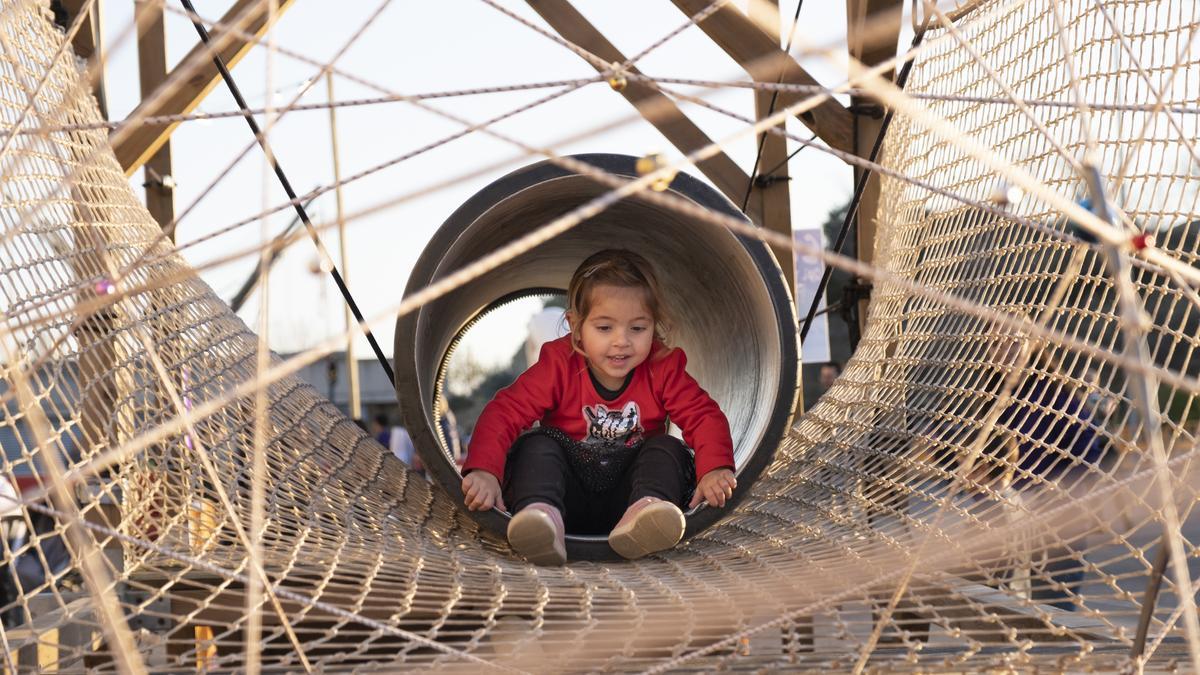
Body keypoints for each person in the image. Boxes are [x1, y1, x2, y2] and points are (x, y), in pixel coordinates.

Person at [460, 249, 737, 565]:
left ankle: (647, 513)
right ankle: (540, 516)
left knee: (666, 447)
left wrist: (714, 468)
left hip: (629, 493)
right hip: (566, 493)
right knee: (537, 444)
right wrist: (484, 469)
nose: (622, 341)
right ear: (576, 326)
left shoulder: (662, 366)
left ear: (655, 325)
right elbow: (505, 412)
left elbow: (703, 415)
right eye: (605, 328)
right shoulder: (559, 365)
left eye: (637, 328)